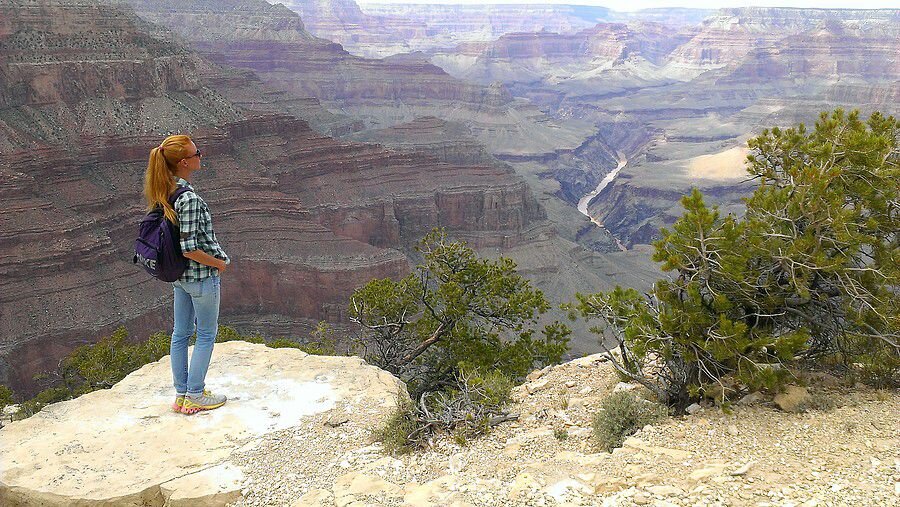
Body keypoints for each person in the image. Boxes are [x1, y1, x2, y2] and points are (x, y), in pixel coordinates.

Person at [144, 135, 230, 414]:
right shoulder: (188, 199)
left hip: (179, 278)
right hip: (201, 277)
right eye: (197, 153)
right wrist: (218, 263)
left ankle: (182, 394)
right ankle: (195, 394)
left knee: (180, 333)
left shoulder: (164, 191)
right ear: (184, 162)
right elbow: (190, 247)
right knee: (205, 334)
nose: (200, 157)